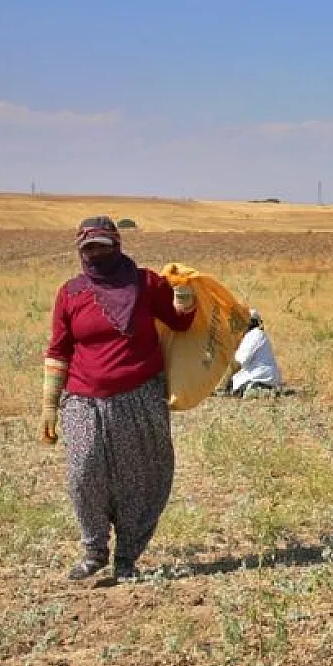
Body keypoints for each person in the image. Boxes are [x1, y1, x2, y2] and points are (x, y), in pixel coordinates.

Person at [42, 216, 195, 583]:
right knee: (83, 472)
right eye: (89, 247)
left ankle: (126, 556)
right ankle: (94, 550)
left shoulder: (145, 283)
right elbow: (59, 349)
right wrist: (49, 404)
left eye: (102, 246)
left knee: (137, 478)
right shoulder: (71, 293)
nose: (96, 254)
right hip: (82, 398)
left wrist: (184, 296)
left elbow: (180, 323)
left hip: (138, 395)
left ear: (117, 245)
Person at [229, 309, 285, 396]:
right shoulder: (253, 335)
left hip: (259, 378)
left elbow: (240, 361)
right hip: (262, 377)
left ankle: (265, 392)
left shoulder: (254, 335)